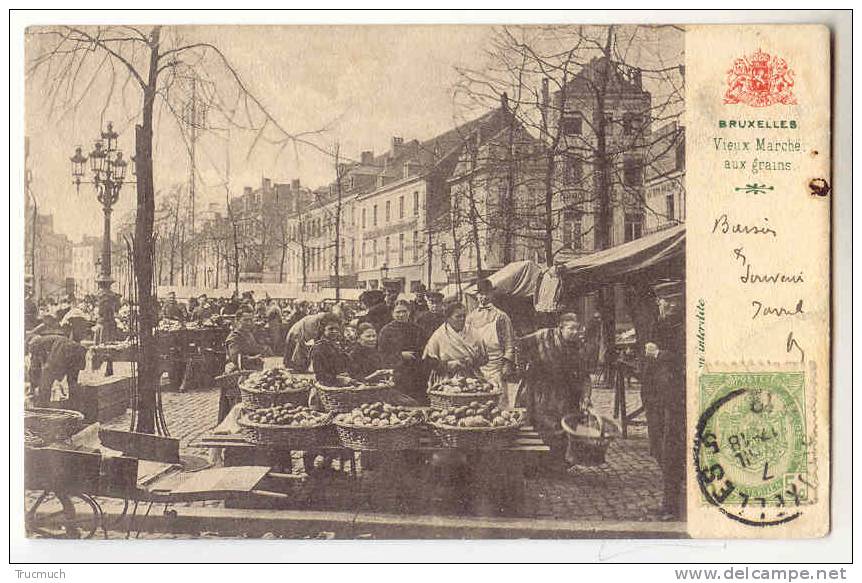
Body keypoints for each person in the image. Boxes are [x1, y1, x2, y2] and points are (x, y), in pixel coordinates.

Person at [517, 313, 588, 472]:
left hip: (564, 389)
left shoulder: (578, 346)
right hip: (540, 387)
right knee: (541, 424)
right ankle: (537, 463)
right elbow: (519, 345)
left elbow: (584, 374)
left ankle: (556, 463)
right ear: (560, 328)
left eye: (577, 329)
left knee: (563, 425)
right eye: (571, 329)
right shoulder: (544, 336)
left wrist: (586, 396)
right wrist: (524, 366)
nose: (574, 332)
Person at [641, 341, 685, 519]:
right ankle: (670, 504)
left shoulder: (679, 322)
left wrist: (658, 354)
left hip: (674, 401)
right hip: (656, 400)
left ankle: (673, 506)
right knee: (660, 450)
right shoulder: (658, 320)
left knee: (671, 453)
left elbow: (686, 356)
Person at [464, 279, 516, 407]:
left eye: (487, 293)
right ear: (477, 296)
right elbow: (465, 341)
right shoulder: (470, 318)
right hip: (476, 366)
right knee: (476, 400)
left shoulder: (501, 317)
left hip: (496, 365)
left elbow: (510, 343)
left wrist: (507, 364)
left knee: (497, 400)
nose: (484, 297)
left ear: (492, 295)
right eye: (481, 294)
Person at [423, 302, 486, 388]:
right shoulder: (439, 335)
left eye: (464, 316)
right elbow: (428, 361)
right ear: (448, 318)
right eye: (458, 316)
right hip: (446, 379)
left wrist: (472, 361)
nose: (462, 319)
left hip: (471, 378)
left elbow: (484, 358)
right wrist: (449, 365)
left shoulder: (473, 332)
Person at [378, 300, 428, 403]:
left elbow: (425, 350)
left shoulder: (418, 329)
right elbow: (382, 354)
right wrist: (400, 356)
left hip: (416, 373)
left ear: (409, 312)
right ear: (392, 313)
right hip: (398, 374)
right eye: (398, 312)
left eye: (404, 311)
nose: (402, 314)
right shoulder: (386, 331)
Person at [27, 332, 87, 406]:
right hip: (79, 350)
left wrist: (33, 387)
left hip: (64, 348)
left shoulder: (36, 343)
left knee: (47, 376)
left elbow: (34, 367)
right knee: (72, 381)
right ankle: (74, 404)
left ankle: (42, 405)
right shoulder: (49, 340)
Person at [282, 305, 343, 371]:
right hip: (301, 329)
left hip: (305, 328)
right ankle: (297, 365)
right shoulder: (318, 320)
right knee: (301, 346)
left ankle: (297, 365)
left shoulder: (327, 319)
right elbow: (312, 339)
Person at [309, 314, 351, 387]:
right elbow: (320, 375)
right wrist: (338, 378)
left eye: (337, 329)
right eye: (331, 329)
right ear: (323, 329)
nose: (334, 331)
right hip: (327, 386)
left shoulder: (337, 346)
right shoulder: (319, 348)